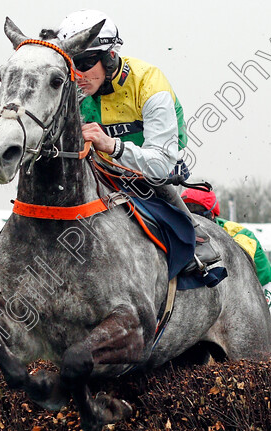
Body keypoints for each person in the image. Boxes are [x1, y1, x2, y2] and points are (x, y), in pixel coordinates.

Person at [57, 10, 219, 273]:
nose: (77, 73)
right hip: (100, 175)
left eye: (84, 63)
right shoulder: (74, 88)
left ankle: (197, 242)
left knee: (157, 186)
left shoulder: (150, 84)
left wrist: (111, 145)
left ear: (109, 57)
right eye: (70, 64)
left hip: (154, 175)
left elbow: (159, 165)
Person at [181, 187, 271, 313]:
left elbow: (234, 274)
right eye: (186, 213)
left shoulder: (240, 234)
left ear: (212, 215)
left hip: (261, 289)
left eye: (198, 214)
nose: (194, 219)